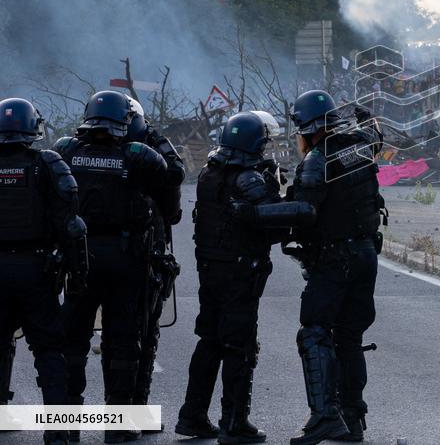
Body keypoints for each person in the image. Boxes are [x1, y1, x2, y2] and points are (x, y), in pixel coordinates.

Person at [177, 112, 312, 444]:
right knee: (240, 347)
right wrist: (283, 194)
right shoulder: (248, 179)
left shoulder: (210, 174)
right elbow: (274, 226)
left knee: (209, 341)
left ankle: (192, 416)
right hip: (239, 273)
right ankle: (234, 422)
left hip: (210, 269)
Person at [54, 91, 168, 444]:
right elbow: (171, 177)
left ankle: (66, 426)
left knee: (72, 343)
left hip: (80, 259)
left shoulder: (67, 150)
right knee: (122, 343)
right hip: (124, 258)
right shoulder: (137, 155)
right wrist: (149, 134)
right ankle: (117, 426)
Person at [285, 91, 385, 445]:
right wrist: (366, 116)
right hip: (366, 255)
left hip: (334, 259)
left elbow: (304, 212)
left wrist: (254, 214)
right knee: (349, 338)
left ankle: (325, 416)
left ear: (308, 128)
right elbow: (377, 135)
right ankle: (352, 420)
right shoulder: (360, 143)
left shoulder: (316, 159)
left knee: (314, 332)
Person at [0, 97, 88, 445]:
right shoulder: (46, 163)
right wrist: (78, 274)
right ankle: (57, 430)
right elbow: (71, 223)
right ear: (33, 126)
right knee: (50, 351)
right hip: (35, 269)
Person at [123, 97, 184, 418]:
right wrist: (157, 138)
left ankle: (65, 424)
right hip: (147, 253)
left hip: (94, 257)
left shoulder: (85, 150)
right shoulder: (152, 159)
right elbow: (174, 196)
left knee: (79, 340)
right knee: (143, 335)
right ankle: (132, 414)